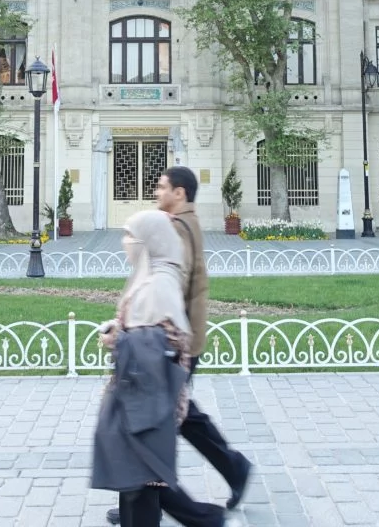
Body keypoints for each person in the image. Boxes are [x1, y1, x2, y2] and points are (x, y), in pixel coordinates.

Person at [106, 166, 244, 527]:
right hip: (174, 344)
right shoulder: (184, 220)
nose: (156, 191)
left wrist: (149, 330)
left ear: (179, 192)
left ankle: (195, 513)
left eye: (162, 186)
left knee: (151, 432)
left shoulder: (176, 227)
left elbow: (171, 280)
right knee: (179, 419)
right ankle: (231, 470)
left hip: (166, 349)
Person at [92, 210, 193, 527]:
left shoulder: (160, 284)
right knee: (135, 483)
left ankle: (205, 517)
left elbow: (167, 341)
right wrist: (120, 331)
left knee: (145, 489)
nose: (124, 243)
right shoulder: (146, 277)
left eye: (130, 236)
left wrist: (119, 341)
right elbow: (141, 328)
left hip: (149, 404)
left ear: (149, 242)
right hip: (136, 400)